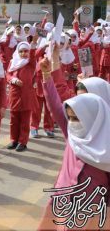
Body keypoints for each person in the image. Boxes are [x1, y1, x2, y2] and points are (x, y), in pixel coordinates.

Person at [39, 56, 110, 230]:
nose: (80, 104)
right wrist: (47, 75)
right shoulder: (73, 132)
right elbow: (56, 107)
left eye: (86, 99)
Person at [6, 40, 37, 152]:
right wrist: (13, 80)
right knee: (14, 119)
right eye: (21, 51)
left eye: (26, 51)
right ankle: (14, 140)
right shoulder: (13, 62)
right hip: (14, 94)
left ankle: (22, 142)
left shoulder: (31, 63)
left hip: (27, 95)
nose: (23, 53)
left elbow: (33, 55)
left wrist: (33, 45)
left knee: (25, 121)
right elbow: (8, 75)